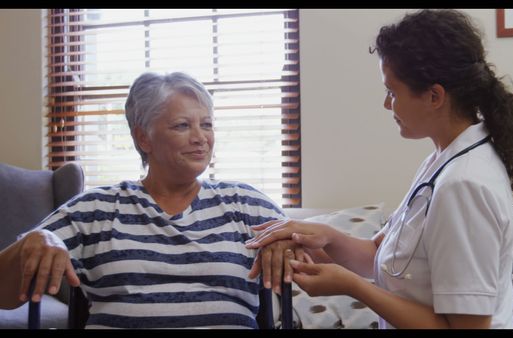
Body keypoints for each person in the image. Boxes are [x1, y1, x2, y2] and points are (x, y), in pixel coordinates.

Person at [246, 9, 513, 329]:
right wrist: (324, 236)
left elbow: (467, 328)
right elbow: (379, 255)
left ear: (434, 96)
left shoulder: (464, 185)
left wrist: (353, 286)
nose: (387, 105)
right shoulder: (442, 163)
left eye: (392, 92)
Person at [0, 72, 304, 329]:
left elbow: (317, 261)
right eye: (182, 125)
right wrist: (33, 242)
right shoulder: (96, 208)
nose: (201, 138)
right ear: (143, 137)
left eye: (207, 124)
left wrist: (289, 240)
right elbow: (5, 294)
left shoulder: (245, 204)